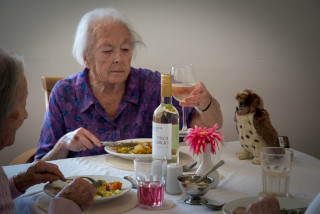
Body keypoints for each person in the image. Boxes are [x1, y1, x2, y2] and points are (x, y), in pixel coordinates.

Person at [35, 7, 223, 161]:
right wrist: (63, 143)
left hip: (144, 186)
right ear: (87, 58)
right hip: (87, 193)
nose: (119, 58)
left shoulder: (152, 85)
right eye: (107, 50)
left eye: (125, 49)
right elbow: (40, 166)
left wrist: (206, 103)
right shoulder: (64, 93)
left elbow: (206, 128)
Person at [0, 48, 96, 213]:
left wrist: (18, 183)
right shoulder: (64, 91)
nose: (25, 115)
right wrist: (66, 204)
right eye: (22, 104)